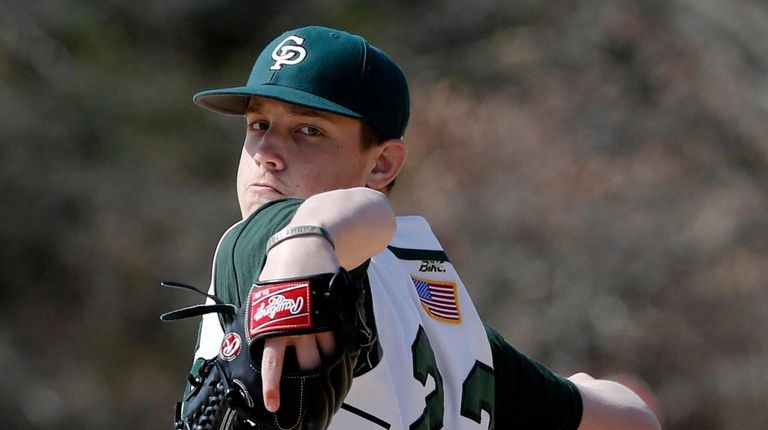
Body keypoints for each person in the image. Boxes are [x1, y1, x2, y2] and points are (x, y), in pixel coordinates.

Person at [180, 25, 661, 429]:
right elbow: (634, 419)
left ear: (383, 164)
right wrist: (582, 390)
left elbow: (368, 214)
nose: (267, 154)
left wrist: (302, 244)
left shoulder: (263, 243)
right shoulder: (441, 314)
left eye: (309, 130)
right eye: (259, 124)